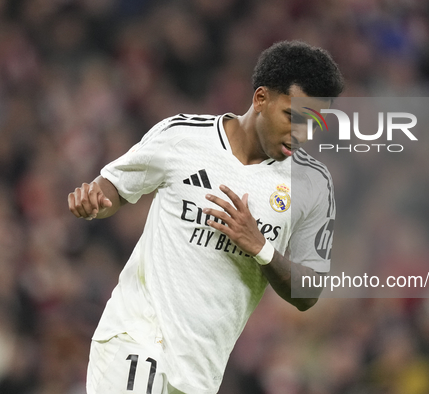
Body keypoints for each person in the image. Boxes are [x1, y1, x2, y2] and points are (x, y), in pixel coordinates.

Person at [67, 40, 344, 393]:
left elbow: (309, 292)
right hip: (136, 338)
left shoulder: (312, 185)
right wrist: (96, 199)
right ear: (261, 99)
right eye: (292, 117)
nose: (302, 133)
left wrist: (261, 247)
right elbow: (117, 185)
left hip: (199, 373)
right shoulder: (183, 137)